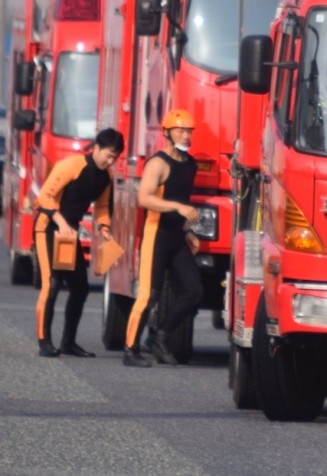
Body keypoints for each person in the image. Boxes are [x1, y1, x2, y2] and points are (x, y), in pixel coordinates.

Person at [123, 108, 203, 367]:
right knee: (148, 295)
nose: (186, 135)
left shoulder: (190, 164)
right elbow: (144, 198)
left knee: (193, 291)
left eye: (189, 130)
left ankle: (160, 336)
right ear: (167, 132)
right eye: (180, 130)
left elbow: (182, 198)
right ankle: (130, 348)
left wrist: (187, 231)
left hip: (176, 237)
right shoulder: (157, 163)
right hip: (155, 234)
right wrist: (179, 209)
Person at [35, 128, 124, 357]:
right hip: (48, 227)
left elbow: (103, 206)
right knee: (52, 285)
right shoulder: (72, 165)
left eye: (115, 157)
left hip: (69, 233)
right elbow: (44, 196)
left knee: (80, 288)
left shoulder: (106, 176)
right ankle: (44, 341)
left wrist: (104, 228)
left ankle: (68, 342)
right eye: (109, 154)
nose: (110, 160)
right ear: (96, 147)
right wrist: (60, 221)